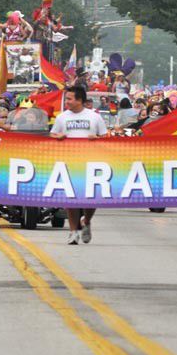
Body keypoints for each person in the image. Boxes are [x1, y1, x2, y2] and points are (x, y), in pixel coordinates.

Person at [50, 86, 107, 244]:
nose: (67, 102)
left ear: (79, 100)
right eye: (66, 98)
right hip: (70, 162)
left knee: (91, 199)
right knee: (71, 199)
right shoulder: (62, 117)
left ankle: (86, 221)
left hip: (91, 163)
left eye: (69, 99)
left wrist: (96, 139)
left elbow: (105, 137)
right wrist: (58, 136)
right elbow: (52, 134)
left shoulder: (94, 117)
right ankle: (73, 231)